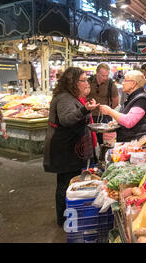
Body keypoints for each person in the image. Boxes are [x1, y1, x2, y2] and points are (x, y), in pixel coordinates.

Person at [43, 67, 100, 226]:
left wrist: (86, 108)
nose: (86, 83)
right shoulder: (64, 98)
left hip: (70, 147)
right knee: (65, 182)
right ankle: (63, 219)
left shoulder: (71, 96)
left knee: (68, 180)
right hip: (64, 148)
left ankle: (67, 215)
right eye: (82, 80)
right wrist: (84, 109)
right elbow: (66, 119)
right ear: (72, 82)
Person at [99, 70, 146, 142]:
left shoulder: (142, 100)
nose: (123, 83)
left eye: (125, 81)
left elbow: (129, 121)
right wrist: (118, 122)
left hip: (137, 146)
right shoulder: (134, 97)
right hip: (132, 143)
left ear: (133, 84)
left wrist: (110, 111)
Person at [88, 63, 119, 143]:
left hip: (105, 117)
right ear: (97, 73)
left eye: (107, 75)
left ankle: (104, 154)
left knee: (106, 141)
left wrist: (108, 111)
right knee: (90, 139)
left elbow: (116, 101)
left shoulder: (111, 84)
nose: (105, 78)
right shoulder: (89, 82)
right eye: (103, 75)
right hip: (89, 116)